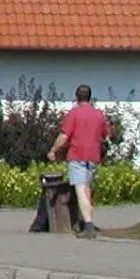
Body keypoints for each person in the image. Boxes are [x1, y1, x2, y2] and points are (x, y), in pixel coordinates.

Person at [47, 84, 110, 239]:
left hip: (77, 155)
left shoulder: (73, 114)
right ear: (90, 97)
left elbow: (64, 136)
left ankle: (88, 226)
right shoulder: (99, 115)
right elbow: (106, 135)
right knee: (87, 189)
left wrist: (53, 150)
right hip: (93, 156)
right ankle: (85, 221)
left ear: (76, 97)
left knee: (80, 190)